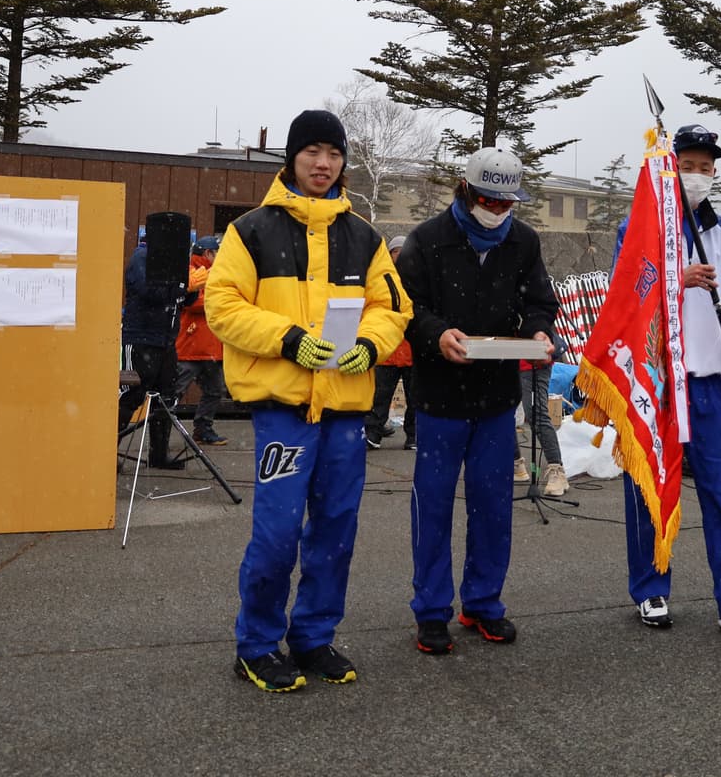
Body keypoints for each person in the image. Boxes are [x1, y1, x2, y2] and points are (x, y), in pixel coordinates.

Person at [205, 109, 411, 693]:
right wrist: (288, 340)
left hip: (345, 409)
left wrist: (370, 346)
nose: (324, 164)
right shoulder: (250, 230)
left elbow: (392, 307)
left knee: (336, 531)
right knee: (276, 534)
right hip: (283, 410)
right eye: (313, 152)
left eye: (334, 154)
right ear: (293, 157)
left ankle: (314, 637)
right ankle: (257, 645)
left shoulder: (365, 236)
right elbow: (223, 306)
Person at [611, 124, 721, 636]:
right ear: (669, 166)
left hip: (706, 382)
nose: (697, 175)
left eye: (706, 167)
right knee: (648, 487)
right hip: (657, 380)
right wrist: (675, 278)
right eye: (688, 165)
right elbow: (625, 295)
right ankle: (651, 589)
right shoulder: (639, 227)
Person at [396, 146, 558, 656]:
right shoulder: (427, 240)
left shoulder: (524, 242)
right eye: (489, 199)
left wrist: (538, 335)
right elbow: (407, 307)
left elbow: (538, 302)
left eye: (507, 202)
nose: (498, 210)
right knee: (434, 508)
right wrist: (437, 334)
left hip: (495, 400)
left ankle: (483, 603)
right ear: (466, 191)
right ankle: (431, 610)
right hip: (439, 400)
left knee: (493, 507)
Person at [117, 231, 189, 469]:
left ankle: (158, 455)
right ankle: (106, 452)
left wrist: (191, 288)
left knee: (166, 399)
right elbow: (151, 292)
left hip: (165, 342)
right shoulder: (142, 256)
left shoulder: (173, 261)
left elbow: (183, 299)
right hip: (140, 340)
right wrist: (181, 287)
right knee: (130, 395)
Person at [173, 234, 229, 447]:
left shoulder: (216, 273)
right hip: (190, 346)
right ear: (208, 253)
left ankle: (203, 429)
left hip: (211, 347)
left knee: (215, 391)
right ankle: (158, 435)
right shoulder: (189, 272)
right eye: (217, 252)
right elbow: (192, 303)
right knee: (173, 393)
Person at [366, 234, 416, 451]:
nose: (400, 256)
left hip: (413, 351)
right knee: (379, 396)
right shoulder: (381, 278)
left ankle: (413, 436)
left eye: (403, 251)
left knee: (416, 399)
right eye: (396, 251)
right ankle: (373, 433)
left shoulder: (418, 278)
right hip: (387, 350)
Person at [512, 333, 569, 496]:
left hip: (534, 362)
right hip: (508, 361)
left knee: (537, 415)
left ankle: (556, 470)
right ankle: (517, 464)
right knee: (504, 414)